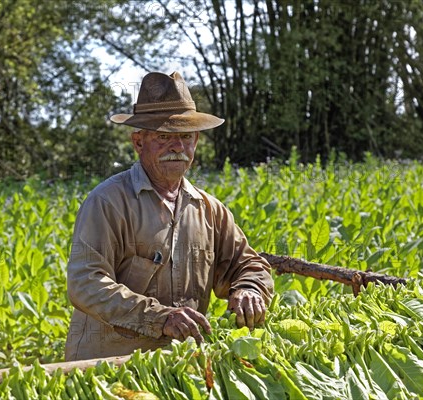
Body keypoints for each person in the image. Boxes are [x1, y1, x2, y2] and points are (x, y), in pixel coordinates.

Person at [65, 71, 274, 361]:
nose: (177, 147)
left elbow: (248, 265)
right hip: (107, 368)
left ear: (196, 142)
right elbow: (85, 282)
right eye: (164, 137)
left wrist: (249, 288)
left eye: (186, 137)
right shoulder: (108, 202)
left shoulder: (209, 210)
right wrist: (159, 317)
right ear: (138, 142)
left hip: (179, 366)